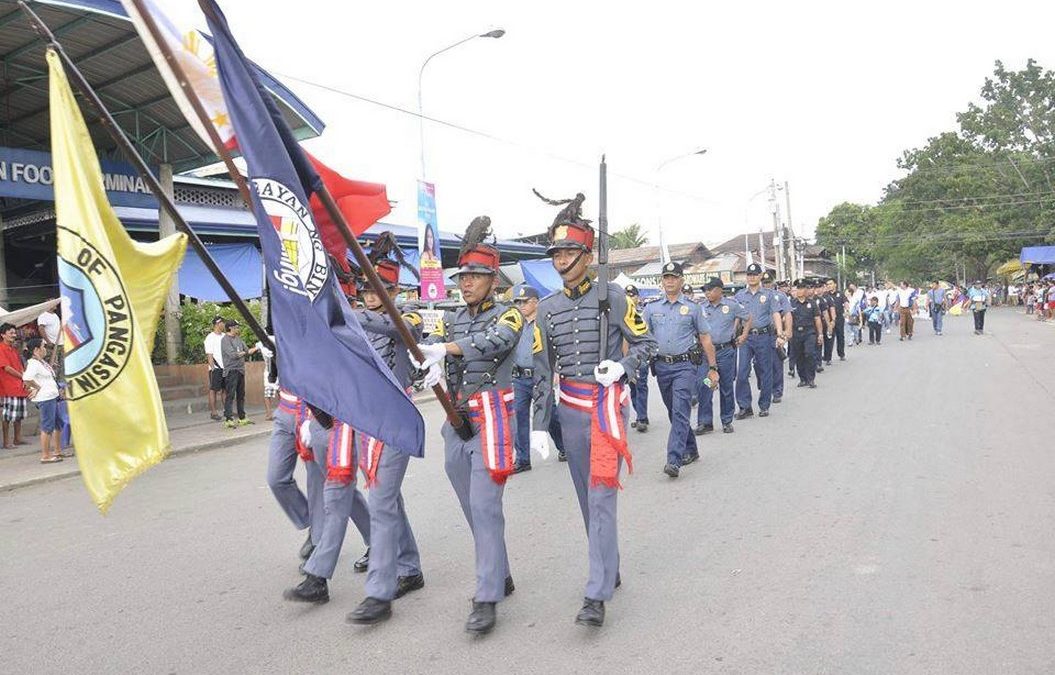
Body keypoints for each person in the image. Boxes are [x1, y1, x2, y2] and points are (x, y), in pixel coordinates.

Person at [529, 191, 657, 628]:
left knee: (602, 496)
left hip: (605, 410)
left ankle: (595, 592)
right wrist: (540, 425)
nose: (560, 258)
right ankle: (610, 564)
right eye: (555, 252)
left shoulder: (615, 298)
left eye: (568, 250)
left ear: (586, 255)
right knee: (587, 500)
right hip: (570, 413)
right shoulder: (546, 310)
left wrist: (620, 366)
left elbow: (647, 344)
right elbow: (544, 371)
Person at [412, 215, 522, 635]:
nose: (467, 283)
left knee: (484, 505)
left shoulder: (510, 315)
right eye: (464, 276)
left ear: (492, 280)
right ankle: (501, 572)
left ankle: (486, 595)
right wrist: (431, 370)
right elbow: (446, 365)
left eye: (475, 276)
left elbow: (495, 343)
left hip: (492, 419)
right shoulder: (455, 318)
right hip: (457, 422)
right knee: (470, 507)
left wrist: (447, 348)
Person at [643, 262, 718, 478]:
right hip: (661, 366)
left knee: (679, 410)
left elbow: (705, 338)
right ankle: (691, 449)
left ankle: (674, 459)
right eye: (666, 277)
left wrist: (712, 368)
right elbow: (643, 337)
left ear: (681, 280)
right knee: (673, 411)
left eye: (674, 277)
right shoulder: (652, 308)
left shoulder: (693, 308)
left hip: (685, 366)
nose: (669, 281)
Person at [510, 284, 565, 472]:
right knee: (519, 416)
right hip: (519, 377)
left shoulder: (545, 323)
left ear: (536, 302)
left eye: (524, 302)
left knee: (549, 416)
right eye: (517, 302)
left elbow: (558, 348)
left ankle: (564, 447)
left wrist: (556, 371)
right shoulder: (514, 324)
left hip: (541, 376)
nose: (521, 305)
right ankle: (523, 459)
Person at [734, 264, 784, 419]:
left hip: (764, 336)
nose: (751, 277)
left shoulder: (769, 295)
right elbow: (736, 316)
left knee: (765, 371)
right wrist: (732, 333)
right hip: (746, 338)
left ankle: (764, 405)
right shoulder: (740, 295)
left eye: (755, 274)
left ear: (761, 276)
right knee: (742, 372)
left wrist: (780, 334)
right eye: (749, 274)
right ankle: (745, 406)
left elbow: (776, 314)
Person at [698, 277, 747, 434]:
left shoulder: (731, 305)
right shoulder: (700, 307)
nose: (707, 293)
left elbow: (748, 316)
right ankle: (705, 422)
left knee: (726, 386)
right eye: (705, 290)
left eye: (710, 290)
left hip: (725, 352)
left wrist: (744, 334)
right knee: (705, 385)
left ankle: (726, 420)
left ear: (719, 290)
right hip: (706, 354)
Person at [21, 338, 62, 463]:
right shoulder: (33, 363)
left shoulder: (41, 362)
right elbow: (27, 379)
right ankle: (45, 455)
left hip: (52, 396)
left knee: (57, 424)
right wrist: (37, 387)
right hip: (46, 398)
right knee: (47, 426)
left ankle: (57, 451)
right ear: (36, 350)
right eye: (43, 346)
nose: (45, 349)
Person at [220, 319, 258, 427]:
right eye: (236, 327)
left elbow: (246, 351)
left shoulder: (239, 339)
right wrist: (245, 352)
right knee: (230, 395)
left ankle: (242, 417)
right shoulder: (225, 340)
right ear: (231, 328)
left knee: (241, 395)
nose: (238, 329)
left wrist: (256, 348)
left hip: (240, 370)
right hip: (231, 371)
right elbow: (233, 355)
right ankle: (228, 419)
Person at [624, 284, 651, 432]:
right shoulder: (621, 315)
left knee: (640, 386)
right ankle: (641, 415)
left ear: (638, 297)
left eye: (633, 295)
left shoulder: (642, 314)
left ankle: (641, 417)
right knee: (633, 388)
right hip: (628, 357)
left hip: (641, 356)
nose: (630, 298)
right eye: (627, 295)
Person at [788, 279, 822, 388]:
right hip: (796, 332)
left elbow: (817, 319)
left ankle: (811, 378)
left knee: (809, 353)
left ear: (806, 290)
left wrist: (820, 334)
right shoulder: (791, 303)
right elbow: (788, 319)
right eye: (798, 288)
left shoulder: (812, 303)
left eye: (802, 288)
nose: (800, 290)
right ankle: (803, 378)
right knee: (799, 356)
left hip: (809, 332)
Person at [0, 323, 29, 450]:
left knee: (19, 414)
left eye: (14, 333)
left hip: (18, 385)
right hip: (8, 386)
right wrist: (22, 376)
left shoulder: (13, 349)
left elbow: (19, 365)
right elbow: (6, 367)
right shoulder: (1, 348)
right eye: (11, 333)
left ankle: (17, 438)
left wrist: (24, 375)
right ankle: (6, 441)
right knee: (7, 415)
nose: (14, 335)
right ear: (2, 334)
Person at [764, 274, 792, 402]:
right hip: (759, 335)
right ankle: (765, 387)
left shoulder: (780, 296)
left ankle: (777, 391)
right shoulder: (756, 297)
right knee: (760, 364)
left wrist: (786, 331)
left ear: (773, 282)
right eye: (764, 282)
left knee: (776, 364)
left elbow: (787, 313)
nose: (766, 285)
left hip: (775, 333)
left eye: (768, 282)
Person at [204, 316, 227, 421]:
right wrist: (213, 368)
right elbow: (209, 355)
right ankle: (213, 412)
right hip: (216, 368)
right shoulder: (210, 337)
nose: (224, 325)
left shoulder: (225, 336)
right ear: (217, 324)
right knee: (213, 390)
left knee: (225, 390)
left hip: (226, 367)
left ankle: (227, 410)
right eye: (222, 323)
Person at [256, 335, 278, 420]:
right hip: (270, 371)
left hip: (275, 370)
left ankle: (270, 414)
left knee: (277, 393)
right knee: (271, 393)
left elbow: (252, 350)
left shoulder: (275, 339)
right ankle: (269, 414)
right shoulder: (261, 343)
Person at [824, 279, 846, 363]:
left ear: (835, 285)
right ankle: (828, 358)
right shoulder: (825, 295)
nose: (829, 285)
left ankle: (841, 354)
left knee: (840, 336)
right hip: (829, 320)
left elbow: (846, 302)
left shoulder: (840, 294)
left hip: (839, 318)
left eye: (830, 284)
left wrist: (847, 310)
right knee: (829, 338)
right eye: (827, 284)